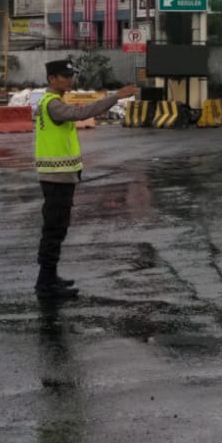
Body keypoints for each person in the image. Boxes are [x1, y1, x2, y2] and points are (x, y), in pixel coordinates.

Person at [33, 59, 139, 298]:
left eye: (71, 76)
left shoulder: (53, 101)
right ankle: (45, 284)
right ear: (52, 79)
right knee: (54, 230)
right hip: (55, 178)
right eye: (65, 76)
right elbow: (81, 113)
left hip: (61, 176)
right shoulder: (53, 104)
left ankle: (49, 277)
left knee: (57, 229)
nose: (70, 80)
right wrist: (116, 96)